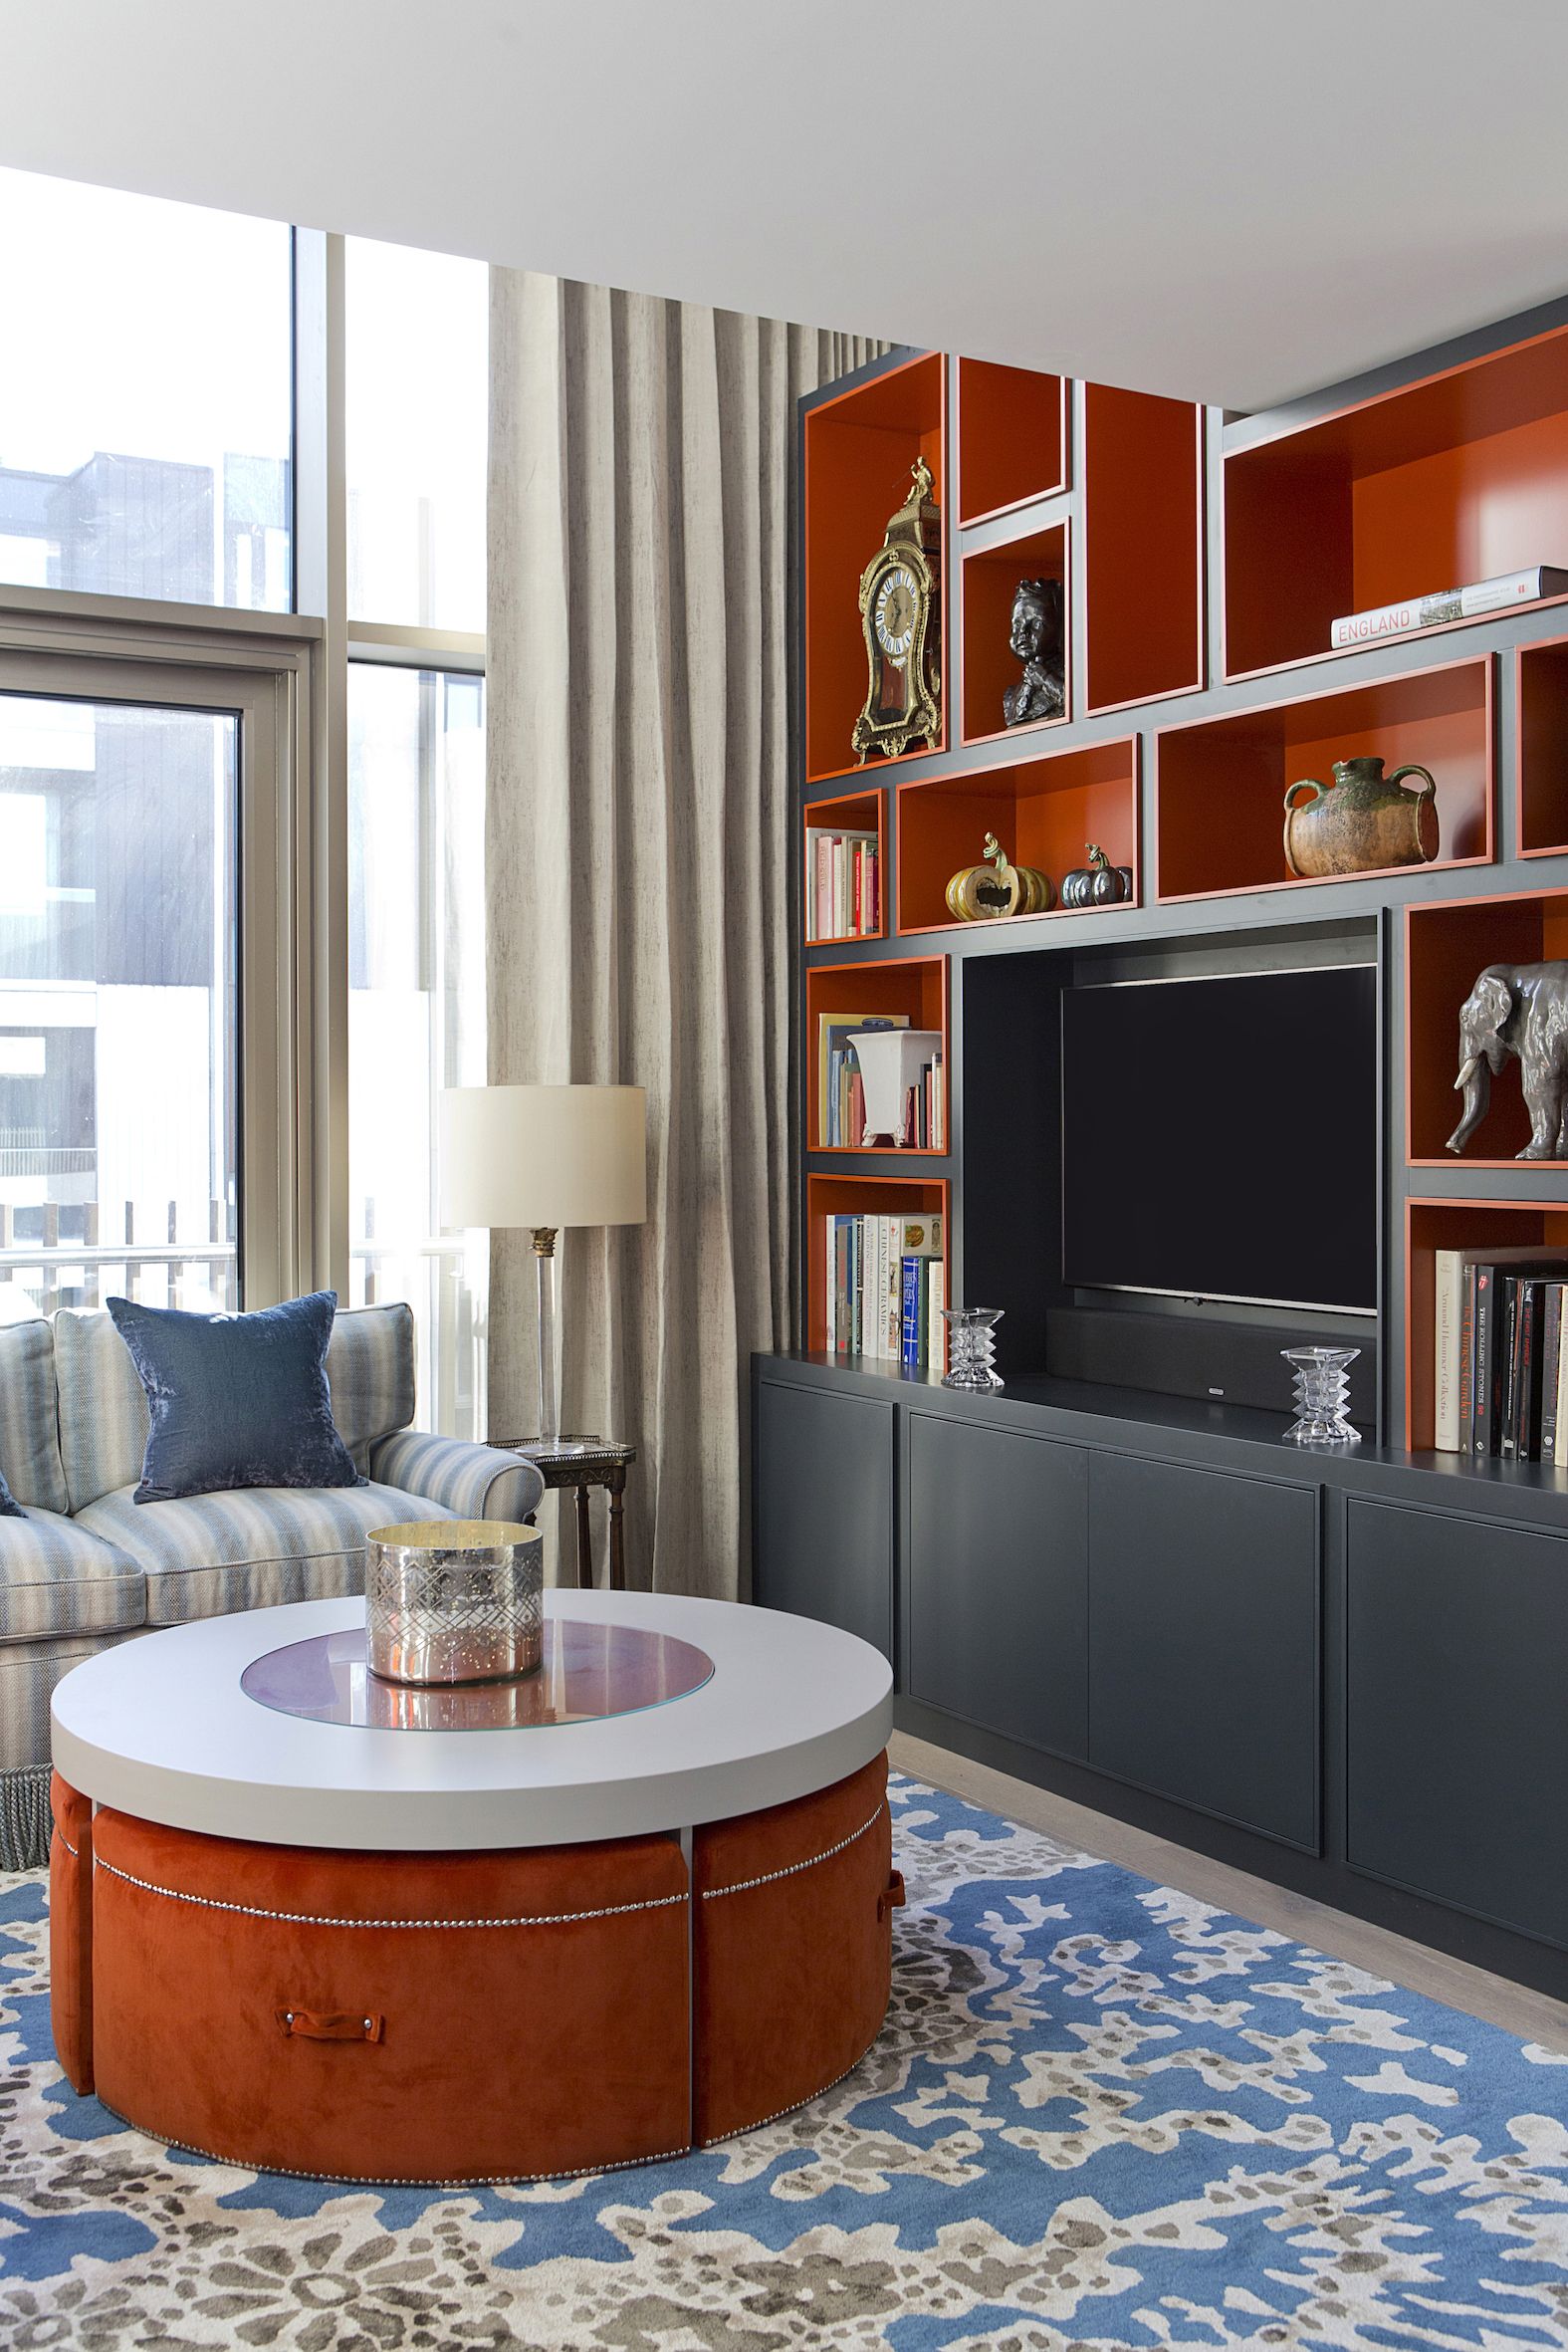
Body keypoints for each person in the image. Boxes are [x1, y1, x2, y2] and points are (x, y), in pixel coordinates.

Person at [1002, 577, 1065, 726]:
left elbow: (1072, 702)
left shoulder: (1070, 684)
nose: (1023, 633)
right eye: (1017, 624)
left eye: (1036, 623)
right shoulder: (1010, 696)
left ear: (1061, 628)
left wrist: (1045, 679)